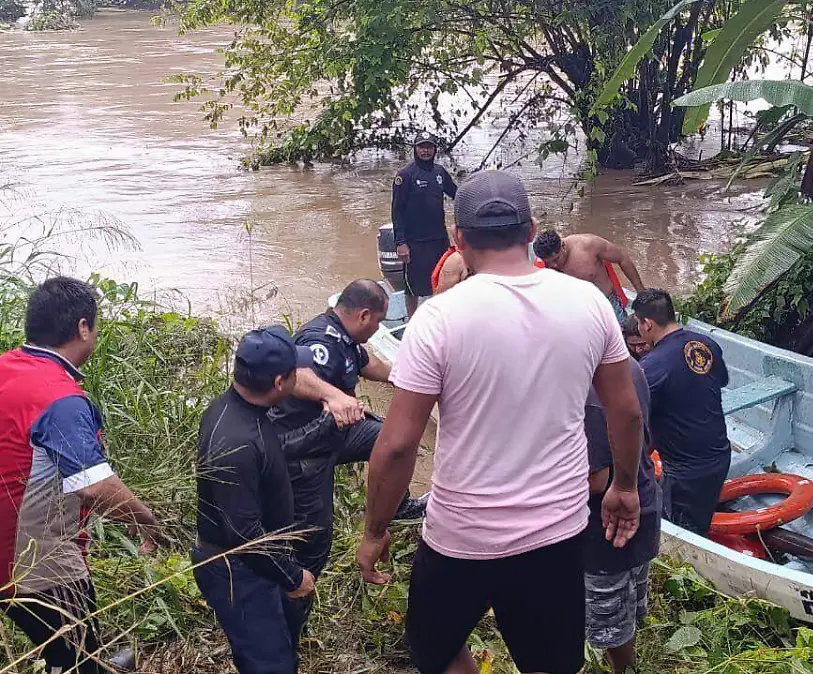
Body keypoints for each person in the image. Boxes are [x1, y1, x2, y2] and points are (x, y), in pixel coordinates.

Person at [356, 170, 645, 674]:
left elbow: (399, 445)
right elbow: (625, 411)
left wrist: (375, 529)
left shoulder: (437, 320)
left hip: (460, 537)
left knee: (435, 649)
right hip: (557, 532)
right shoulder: (589, 305)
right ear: (532, 230)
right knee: (551, 663)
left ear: (459, 240)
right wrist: (624, 486)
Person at [0, 277, 163, 674]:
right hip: (38, 564)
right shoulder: (60, 400)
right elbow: (94, 487)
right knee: (73, 656)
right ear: (83, 328)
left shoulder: (6, 367)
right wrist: (146, 519)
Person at [269, 279, 426, 637]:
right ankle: (287, 624)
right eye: (377, 323)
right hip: (304, 451)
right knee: (315, 543)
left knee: (392, 440)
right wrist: (332, 396)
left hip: (335, 434)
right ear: (365, 315)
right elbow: (297, 375)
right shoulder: (321, 339)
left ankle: (396, 506)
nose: (376, 331)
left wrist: (405, 378)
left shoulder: (347, 337)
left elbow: (365, 361)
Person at [193, 326, 316, 674]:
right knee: (269, 663)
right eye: (296, 372)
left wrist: (325, 430)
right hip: (238, 570)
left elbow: (270, 456)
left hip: (252, 565)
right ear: (279, 383)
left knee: (269, 648)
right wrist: (292, 577)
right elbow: (244, 535)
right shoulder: (239, 443)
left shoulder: (232, 408)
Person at [582, 358, 660, 674]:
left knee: (611, 626)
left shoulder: (589, 394)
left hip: (608, 527)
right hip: (644, 502)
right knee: (626, 605)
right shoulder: (630, 365)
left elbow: (594, 480)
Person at [632, 289, 731, 535]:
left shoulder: (652, 366)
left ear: (648, 324)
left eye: (639, 324)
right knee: (699, 517)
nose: (640, 331)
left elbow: (633, 417)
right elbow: (721, 380)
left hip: (686, 471)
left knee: (682, 530)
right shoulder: (707, 345)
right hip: (719, 455)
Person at [392, 131, 458, 316]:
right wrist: (401, 243)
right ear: (415, 149)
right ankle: (412, 322)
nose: (425, 151)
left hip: (439, 239)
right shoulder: (404, 175)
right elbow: (396, 211)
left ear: (435, 149)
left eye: (429, 147)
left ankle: (441, 317)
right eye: (422, 146)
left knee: (443, 280)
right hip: (415, 242)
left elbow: (456, 194)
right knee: (413, 287)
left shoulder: (440, 173)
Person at [533, 229, 647, 317]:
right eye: (548, 262)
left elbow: (622, 258)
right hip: (577, 312)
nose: (553, 266)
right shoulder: (542, 266)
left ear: (563, 246)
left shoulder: (588, 245)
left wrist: (641, 292)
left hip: (607, 304)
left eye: (556, 259)